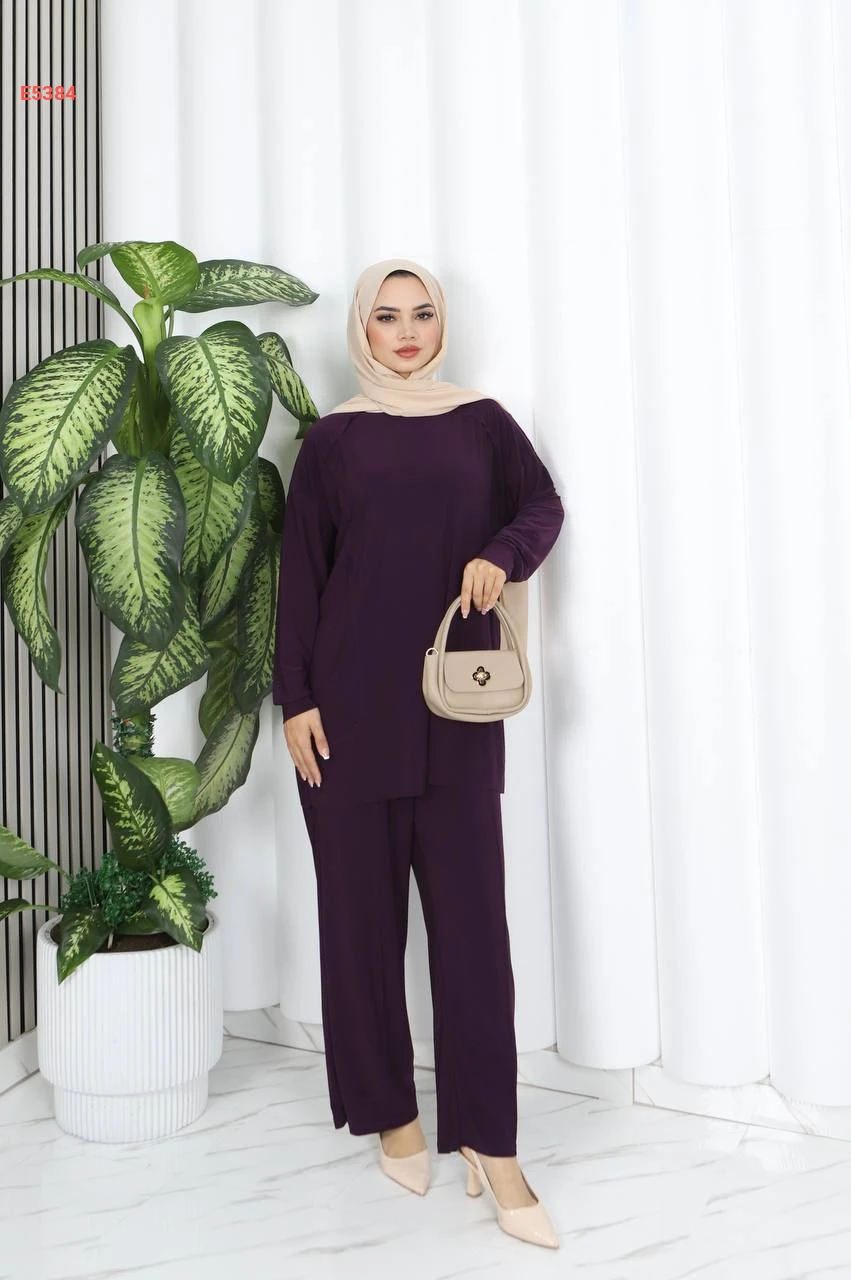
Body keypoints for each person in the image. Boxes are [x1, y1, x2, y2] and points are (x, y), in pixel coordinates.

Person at [272, 257, 565, 1249]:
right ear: (363, 328)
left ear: (442, 324)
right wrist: (296, 699)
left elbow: (540, 505)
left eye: (422, 313)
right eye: (387, 316)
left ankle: (492, 1142)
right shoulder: (332, 440)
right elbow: (300, 575)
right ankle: (390, 1114)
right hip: (347, 716)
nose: (405, 332)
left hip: (456, 710)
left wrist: (500, 554)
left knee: (474, 935)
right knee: (359, 930)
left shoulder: (480, 422)